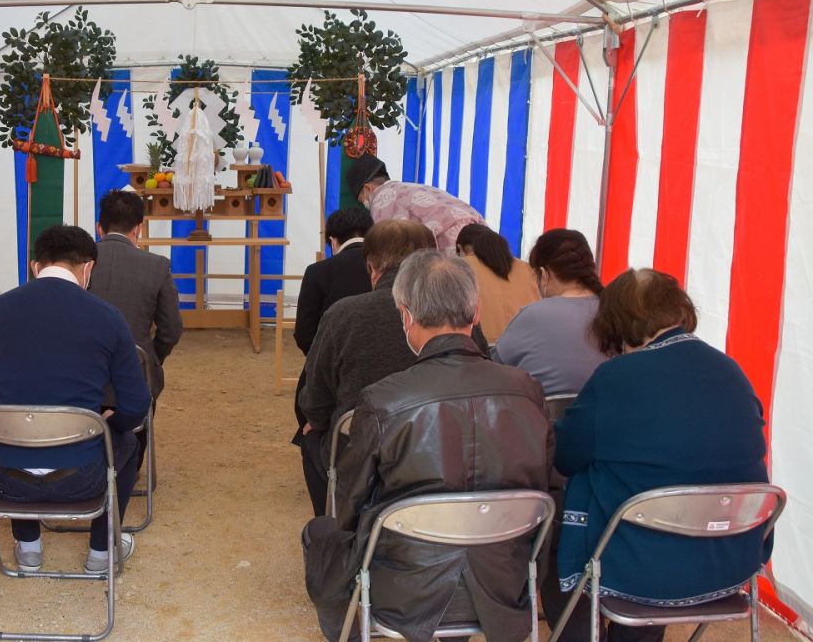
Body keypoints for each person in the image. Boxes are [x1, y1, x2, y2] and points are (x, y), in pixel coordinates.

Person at [303, 250, 553, 642]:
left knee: (320, 532)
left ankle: (348, 631)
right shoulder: (528, 391)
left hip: (403, 591)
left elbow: (349, 507)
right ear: (476, 312)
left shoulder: (384, 400)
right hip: (505, 584)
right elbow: (543, 481)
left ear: (406, 315)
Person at [545, 269, 772, 642]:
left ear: (615, 324)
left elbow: (565, 457)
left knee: (580, 516)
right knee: (648, 498)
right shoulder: (731, 369)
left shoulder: (617, 377)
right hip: (731, 561)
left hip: (643, 567)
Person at [0, 225, 151, 574]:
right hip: (82, 477)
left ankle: (29, 547)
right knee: (124, 440)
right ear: (87, 268)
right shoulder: (107, 317)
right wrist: (106, 423)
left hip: (6, 478)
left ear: (35, 266)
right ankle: (102, 551)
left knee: (12, 433)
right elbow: (136, 404)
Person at [297, 220, 436, 516]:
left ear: (372, 268)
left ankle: (334, 526)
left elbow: (316, 403)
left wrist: (316, 421)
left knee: (310, 434)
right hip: (438, 447)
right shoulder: (457, 315)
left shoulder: (345, 314)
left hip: (361, 454)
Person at [89, 189, 183, 401]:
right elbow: (172, 330)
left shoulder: (79, 262)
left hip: (85, 377)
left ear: (99, 227)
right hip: (136, 374)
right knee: (139, 428)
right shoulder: (157, 265)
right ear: (139, 229)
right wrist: (150, 357)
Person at [291, 207, 374, 442]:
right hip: (386, 378)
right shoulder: (388, 271)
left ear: (333, 240)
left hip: (332, 371)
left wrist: (322, 358)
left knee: (310, 411)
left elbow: (305, 333)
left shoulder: (319, 272)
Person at [493, 229, 607, 396]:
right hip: (603, 418)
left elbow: (495, 368)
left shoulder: (532, 316)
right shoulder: (613, 311)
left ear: (544, 275)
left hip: (541, 419)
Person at [347, 153, 484, 252]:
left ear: (367, 188)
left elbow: (390, 248)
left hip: (453, 243)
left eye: (361, 199)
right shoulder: (411, 187)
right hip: (482, 234)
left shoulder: (382, 199)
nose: (364, 203)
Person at [455, 223, 538, 341]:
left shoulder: (459, 266)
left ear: (460, 248)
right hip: (525, 344)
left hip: (479, 347)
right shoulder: (525, 268)